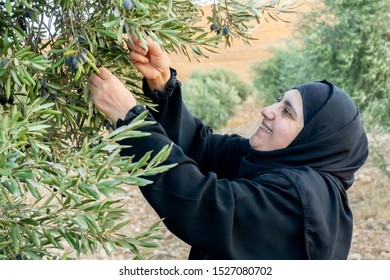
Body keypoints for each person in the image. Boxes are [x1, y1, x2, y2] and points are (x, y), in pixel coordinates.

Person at [88, 37, 369, 260]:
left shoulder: (298, 199)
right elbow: (203, 147)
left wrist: (130, 119)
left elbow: (202, 202)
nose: (267, 111)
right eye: (278, 100)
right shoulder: (274, 161)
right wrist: (162, 85)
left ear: (314, 139)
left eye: (287, 112)